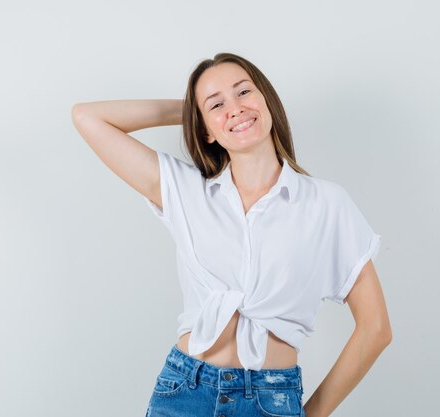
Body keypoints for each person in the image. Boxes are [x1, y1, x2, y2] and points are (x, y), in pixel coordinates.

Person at [71, 52, 392, 417]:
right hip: (184, 391)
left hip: (269, 399)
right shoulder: (186, 190)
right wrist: (192, 111)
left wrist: (312, 414)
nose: (236, 109)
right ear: (204, 128)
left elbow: (376, 327)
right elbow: (88, 117)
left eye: (244, 93)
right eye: (217, 104)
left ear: (267, 98)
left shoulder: (326, 203)